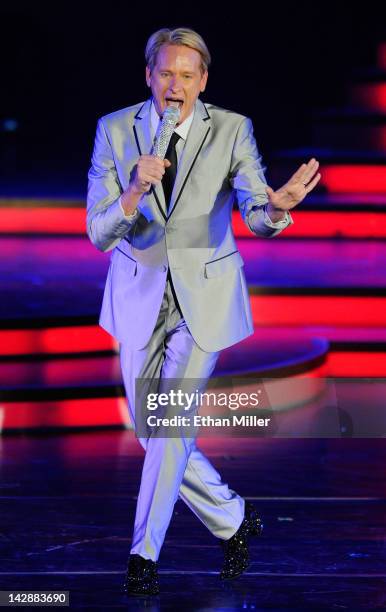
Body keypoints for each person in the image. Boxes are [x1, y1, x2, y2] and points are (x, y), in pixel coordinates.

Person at [87, 27, 321, 596]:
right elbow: (98, 231)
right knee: (152, 429)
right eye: (166, 73)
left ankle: (143, 558)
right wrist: (132, 194)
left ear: (203, 81)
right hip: (138, 294)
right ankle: (232, 518)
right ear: (149, 75)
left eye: (187, 76)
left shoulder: (232, 130)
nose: (176, 85)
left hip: (204, 297)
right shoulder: (115, 130)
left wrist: (277, 209)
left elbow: (254, 208)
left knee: (168, 426)